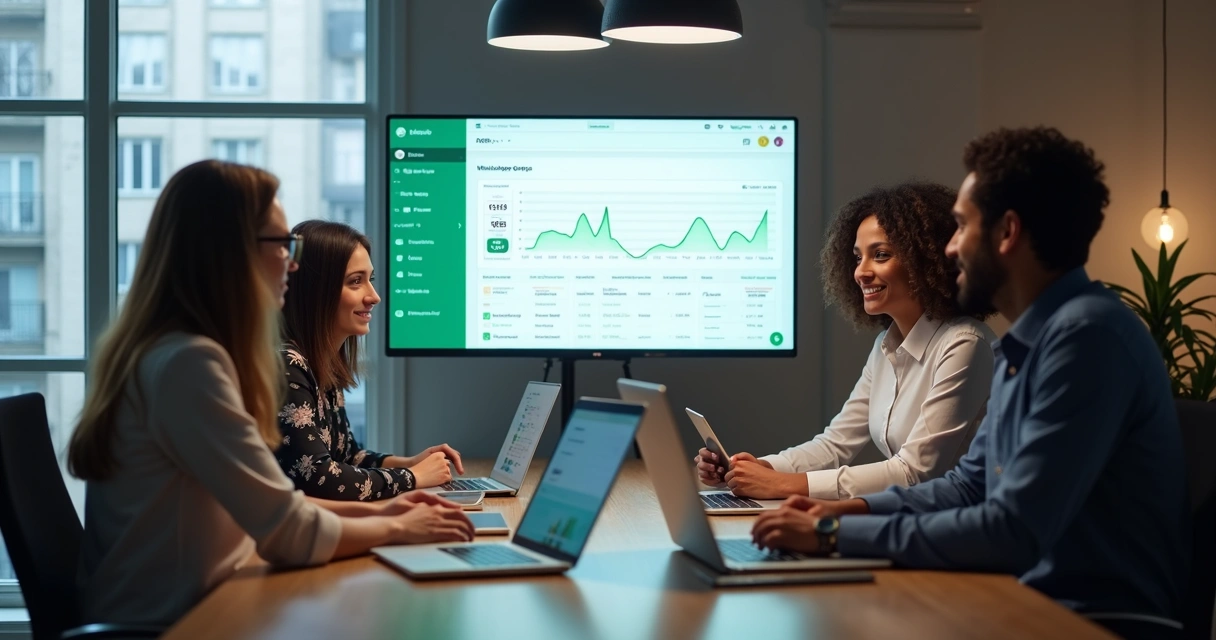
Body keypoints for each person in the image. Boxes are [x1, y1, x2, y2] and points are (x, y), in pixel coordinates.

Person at [751, 127, 1189, 640]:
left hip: (1091, 621)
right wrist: (850, 508)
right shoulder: (1029, 344)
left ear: (1006, 233)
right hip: (1023, 601)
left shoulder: (1086, 338)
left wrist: (831, 532)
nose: (950, 247)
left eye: (960, 226)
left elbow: (1011, 530)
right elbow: (967, 486)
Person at [69, 161, 473, 626]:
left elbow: (278, 501)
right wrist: (401, 526)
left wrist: (382, 512)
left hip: (189, 606)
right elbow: (287, 531)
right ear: (229, 253)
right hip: (170, 625)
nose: (294, 262)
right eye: (283, 244)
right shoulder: (189, 364)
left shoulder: (174, 352)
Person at [696, 181, 996, 500]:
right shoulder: (887, 345)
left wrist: (782, 485)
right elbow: (834, 444)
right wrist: (760, 469)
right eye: (857, 258)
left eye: (880, 255)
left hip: (959, 530)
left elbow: (915, 472)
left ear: (927, 260)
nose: (860, 273)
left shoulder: (966, 344)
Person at [275, 220, 463, 500]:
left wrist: (411, 462)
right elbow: (318, 476)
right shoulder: (287, 366)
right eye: (355, 281)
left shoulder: (321, 365)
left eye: (370, 280)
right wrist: (413, 477)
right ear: (317, 291)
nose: (373, 296)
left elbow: (348, 455)